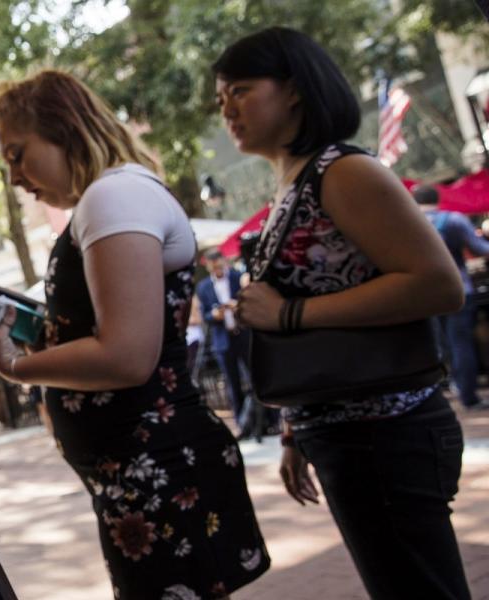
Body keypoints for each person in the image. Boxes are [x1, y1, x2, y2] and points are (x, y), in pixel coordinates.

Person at [0, 69, 269, 599]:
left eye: (16, 153)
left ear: (62, 127)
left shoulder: (111, 198)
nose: (15, 176)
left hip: (157, 473)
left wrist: (17, 368)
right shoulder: (115, 196)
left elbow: (125, 356)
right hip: (146, 474)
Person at [214, 27, 470, 599]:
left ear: (295, 90)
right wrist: (293, 427)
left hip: (386, 432)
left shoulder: (344, 172)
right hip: (349, 433)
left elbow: (437, 284)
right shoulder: (296, 180)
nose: (226, 108)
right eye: (220, 97)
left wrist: (289, 314)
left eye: (241, 90)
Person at [415, 184, 489, 409]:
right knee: (461, 344)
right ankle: (468, 396)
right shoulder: (453, 220)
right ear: (438, 198)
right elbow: (480, 249)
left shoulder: (407, 222)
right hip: (457, 291)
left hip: (422, 295)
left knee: (435, 346)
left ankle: (440, 397)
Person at [195, 249, 254, 435]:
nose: (217, 267)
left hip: (243, 335)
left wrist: (236, 306)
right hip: (223, 340)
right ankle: (242, 424)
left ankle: (265, 421)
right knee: (232, 383)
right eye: (213, 265)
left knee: (254, 378)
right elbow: (203, 314)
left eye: (219, 263)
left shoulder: (239, 278)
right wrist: (214, 314)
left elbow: (252, 302)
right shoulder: (203, 286)